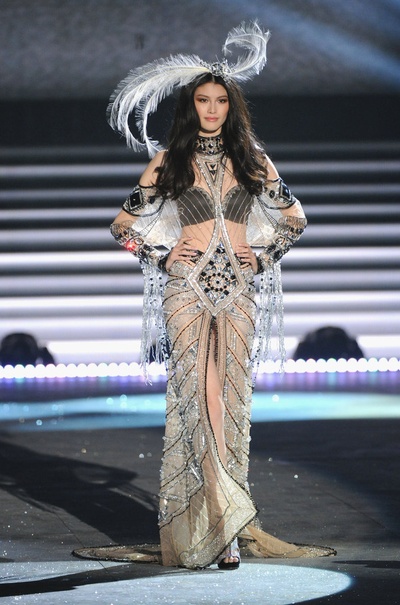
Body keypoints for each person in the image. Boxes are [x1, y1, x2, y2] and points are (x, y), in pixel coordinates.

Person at [107, 22, 335, 569]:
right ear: (191, 107)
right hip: (185, 291)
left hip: (237, 291)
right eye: (203, 101)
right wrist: (161, 257)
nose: (212, 109)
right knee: (197, 400)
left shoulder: (253, 160)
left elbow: (295, 219)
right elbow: (121, 226)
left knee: (229, 403)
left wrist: (265, 255)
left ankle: (225, 525)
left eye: (221, 101)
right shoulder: (169, 161)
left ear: (232, 108)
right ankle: (218, 529)